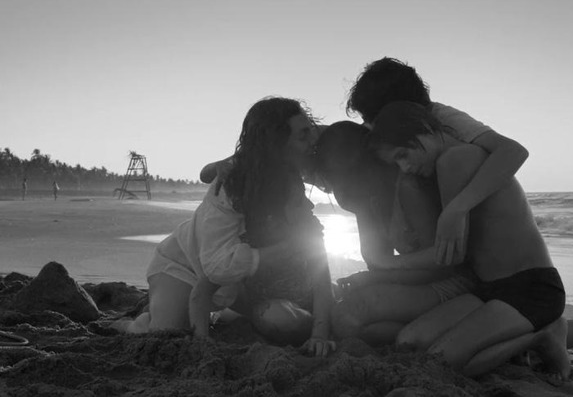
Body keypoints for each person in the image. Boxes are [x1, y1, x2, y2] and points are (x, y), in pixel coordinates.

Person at [318, 121, 573, 366]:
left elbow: (449, 256)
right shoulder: (414, 175)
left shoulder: (452, 163)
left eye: (403, 156)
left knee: (445, 356)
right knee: (412, 343)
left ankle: (555, 333)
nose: (404, 166)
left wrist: (384, 270)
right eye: (395, 161)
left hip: (527, 287)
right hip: (488, 288)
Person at [118, 97, 335, 357]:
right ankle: (137, 322)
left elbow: (321, 277)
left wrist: (319, 333)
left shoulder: (302, 158)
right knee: (166, 333)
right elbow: (213, 271)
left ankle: (212, 312)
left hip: (236, 278)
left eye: (310, 129)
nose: (312, 140)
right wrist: (284, 250)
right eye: (303, 134)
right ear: (277, 144)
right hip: (186, 263)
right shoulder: (235, 191)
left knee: (259, 308)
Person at [347, 57, 529, 267]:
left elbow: (513, 151)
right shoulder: (399, 140)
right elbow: (401, 169)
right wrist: (397, 215)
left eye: (374, 119)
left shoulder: (443, 118)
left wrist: (458, 209)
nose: (372, 126)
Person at [315, 121, 477, 346]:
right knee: (345, 317)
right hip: (417, 283)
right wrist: (370, 277)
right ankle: (422, 332)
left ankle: (440, 328)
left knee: (348, 316)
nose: (336, 192)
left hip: (451, 282)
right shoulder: (370, 200)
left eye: (337, 181)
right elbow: (376, 259)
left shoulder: (409, 189)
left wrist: (374, 277)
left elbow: (441, 265)